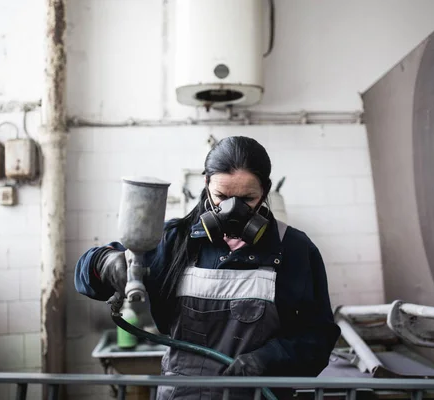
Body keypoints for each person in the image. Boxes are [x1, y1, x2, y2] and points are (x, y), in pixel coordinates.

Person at [74, 136, 341, 399]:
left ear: (265, 190)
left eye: (247, 198)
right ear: (206, 184)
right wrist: (104, 263)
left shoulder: (294, 248)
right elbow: (87, 277)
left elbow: (318, 337)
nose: (232, 210)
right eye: (221, 196)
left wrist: (267, 361)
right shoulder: (175, 240)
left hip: (259, 394)